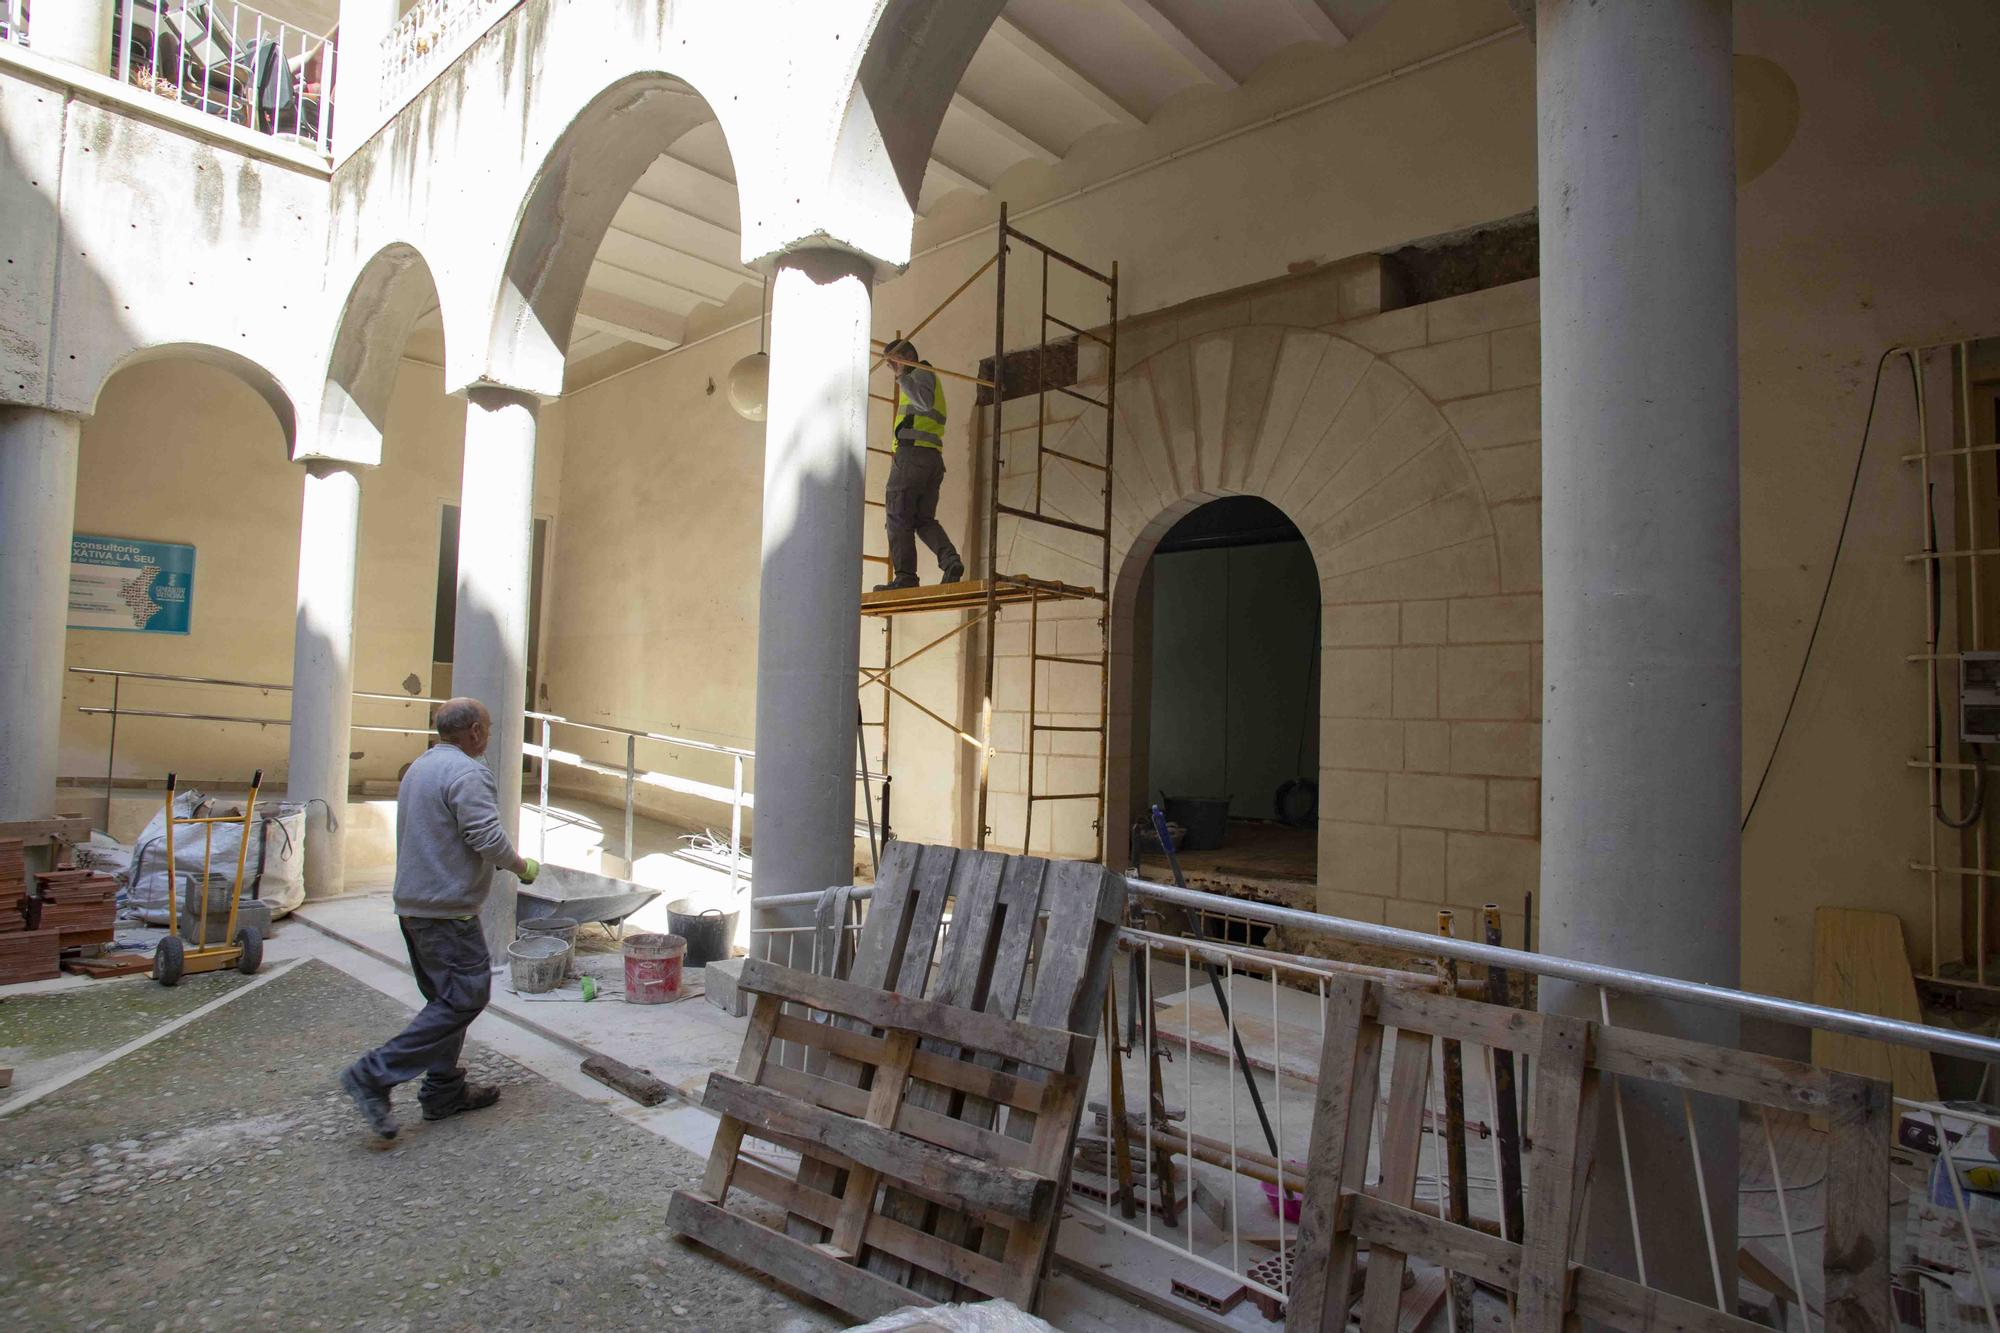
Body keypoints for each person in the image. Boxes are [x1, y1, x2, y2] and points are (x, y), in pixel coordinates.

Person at [340, 697, 539, 1139]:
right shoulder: (467, 772)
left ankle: (443, 1091)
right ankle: (374, 1073)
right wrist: (520, 866)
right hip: (446, 911)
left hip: (413, 906)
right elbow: (484, 834)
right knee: (466, 997)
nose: (487, 736)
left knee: (445, 1003)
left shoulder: (421, 767)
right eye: (486, 728)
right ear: (473, 731)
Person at [875, 338, 965, 591]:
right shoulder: (925, 378)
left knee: (897, 517)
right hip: (930, 459)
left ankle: (905, 577)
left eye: (892, 362)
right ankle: (950, 561)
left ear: (904, 358)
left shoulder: (921, 373)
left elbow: (923, 403)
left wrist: (903, 374)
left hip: (912, 458)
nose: (891, 368)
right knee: (923, 520)